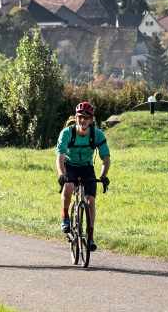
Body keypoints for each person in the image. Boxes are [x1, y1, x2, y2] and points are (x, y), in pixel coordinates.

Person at [56, 100, 110, 251]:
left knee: (90, 200)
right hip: (70, 165)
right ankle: (65, 217)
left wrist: (103, 175)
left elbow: (106, 158)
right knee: (68, 186)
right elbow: (60, 156)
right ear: (76, 117)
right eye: (80, 117)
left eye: (86, 118)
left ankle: (90, 236)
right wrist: (61, 174)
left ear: (91, 120)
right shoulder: (67, 133)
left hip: (87, 167)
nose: (83, 120)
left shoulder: (97, 135)